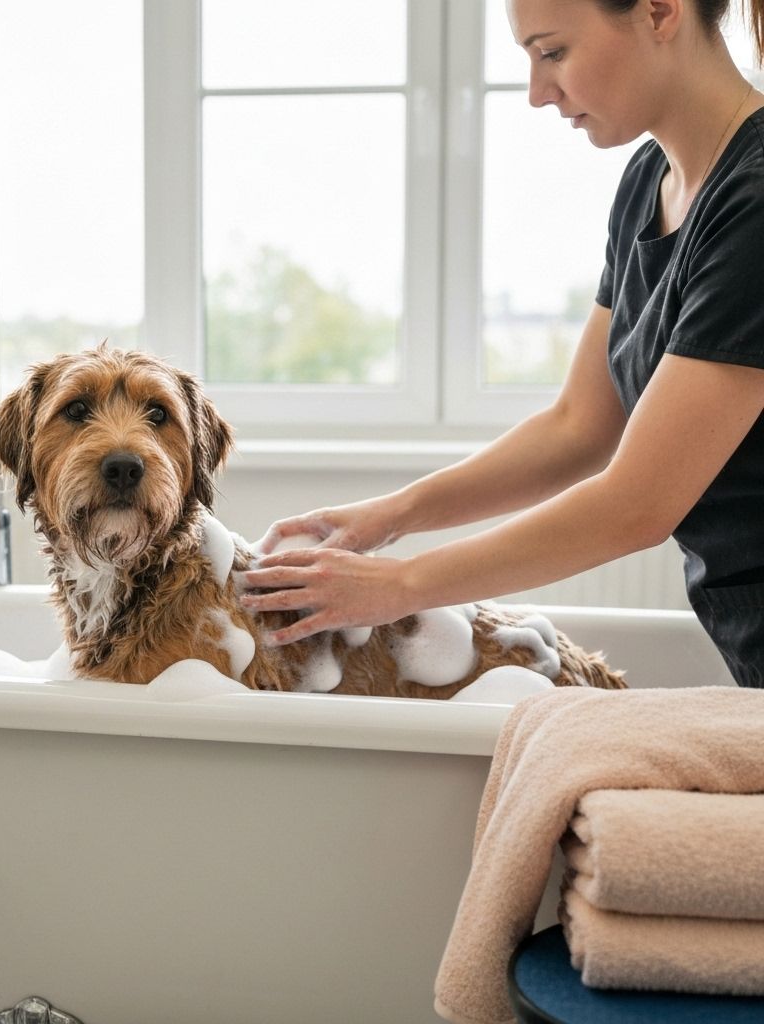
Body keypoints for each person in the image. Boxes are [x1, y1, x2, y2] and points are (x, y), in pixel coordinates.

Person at [239, 0, 764, 688]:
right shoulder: (648, 183)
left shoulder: (754, 203)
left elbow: (637, 505)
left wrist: (399, 586)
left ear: (660, 11)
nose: (536, 93)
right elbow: (578, 426)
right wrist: (389, 518)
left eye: (552, 53)